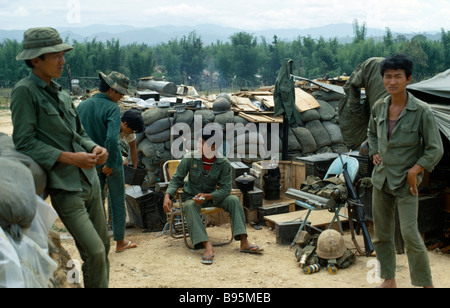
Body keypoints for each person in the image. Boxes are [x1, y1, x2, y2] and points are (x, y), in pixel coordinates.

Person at [10, 27, 110, 288]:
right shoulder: (25, 92)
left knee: (104, 249)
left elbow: (79, 133)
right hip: (66, 187)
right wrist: (70, 158)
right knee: (94, 251)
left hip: (90, 180)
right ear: (35, 60)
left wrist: (94, 147)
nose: (62, 61)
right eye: (55, 56)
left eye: (63, 55)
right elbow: (24, 140)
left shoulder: (61, 93)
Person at [367, 54, 444, 288]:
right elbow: (371, 133)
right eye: (387, 77)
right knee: (381, 235)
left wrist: (416, 170)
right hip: (381, 181)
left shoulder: (421, 110)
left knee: (410, 234)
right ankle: (389, 279)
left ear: (408, 79)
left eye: (397, 77)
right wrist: (373, 151)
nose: (392, 81)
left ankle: (425, 283)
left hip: (406, 183)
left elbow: (435, 148)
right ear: (383, 79)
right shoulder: (379, 107)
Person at [163, 130, 263, 265]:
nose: (198, 146)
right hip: (192, 198)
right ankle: (207, 245)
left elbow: (226, 189)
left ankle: (244, 242)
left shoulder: (223, 163)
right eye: (198, 142)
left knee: (233, 200)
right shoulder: (190, 158)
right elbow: (176, 179)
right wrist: (167, 195)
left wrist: (208, 196)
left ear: (213, 147)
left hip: (212, 197)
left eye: (202, 143)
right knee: (189, 205)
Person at [77, 72, 139, 253]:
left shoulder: (82, 106)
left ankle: (98, 243)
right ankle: (120, 242)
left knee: (96, 203)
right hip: (110, 161)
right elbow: (112, 139)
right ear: (111, 90)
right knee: (117, 200)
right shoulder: (112, 108)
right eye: (120, 94)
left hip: (89, 161)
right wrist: (111, 163)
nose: (121, 98)